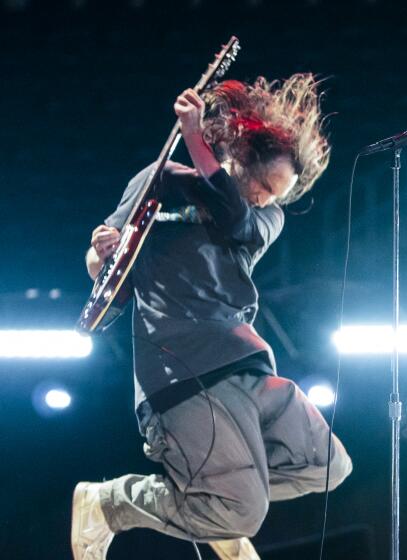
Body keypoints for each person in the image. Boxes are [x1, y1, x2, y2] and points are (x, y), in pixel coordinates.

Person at [71, 74, 352, 560]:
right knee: (244, 513)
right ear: (240, 157)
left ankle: (212, 501)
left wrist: (195, 136)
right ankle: (111, 504)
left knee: (327, 465)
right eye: (265, 186)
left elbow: (231, 213)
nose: (268, 198)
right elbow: (105, 281)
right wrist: (103, 252)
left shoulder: (265, 218)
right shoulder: (155, 181)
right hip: (183, 368)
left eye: (277, 194)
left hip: (245, 363)